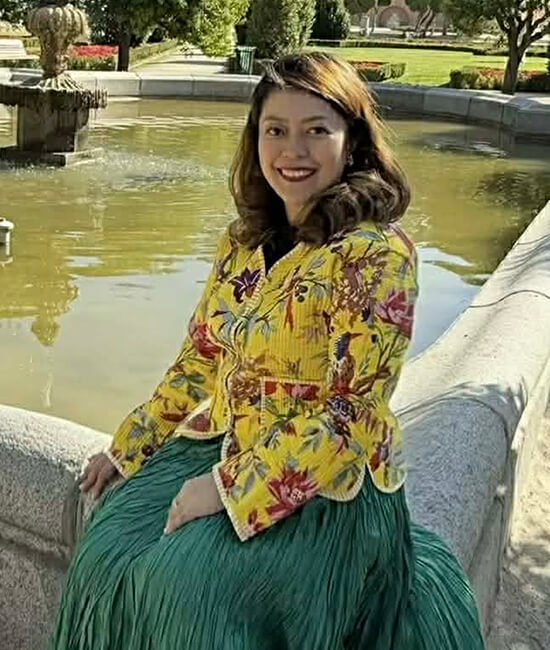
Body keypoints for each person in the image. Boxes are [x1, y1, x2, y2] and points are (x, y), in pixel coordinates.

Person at [48, 52, 486, 649]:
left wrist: (228, 490)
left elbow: (349, 417)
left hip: (325, 484)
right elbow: (200, 358)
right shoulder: (242, 242)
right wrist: (130, 447)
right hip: (228, 441)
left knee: (182, 587)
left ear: (352, 143)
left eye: (316, 130)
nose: (292, 151)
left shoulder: (375, 256)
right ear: (255, 138)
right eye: (276, 130)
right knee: (106, 545)